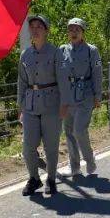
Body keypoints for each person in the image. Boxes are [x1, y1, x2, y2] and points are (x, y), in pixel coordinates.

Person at [18, 14, 62, 196]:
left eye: (39, 27)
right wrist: (20, 106)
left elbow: (63, 81)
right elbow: (21, 81)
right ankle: (34, 178)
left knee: (51, 146)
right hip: (30, 105)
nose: (35, 30)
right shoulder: (25, 54)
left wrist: (65, 104)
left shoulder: (56, 52)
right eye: (32, 27)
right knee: (28, 147)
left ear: (46, 31)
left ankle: (51, 179)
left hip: (52, 104)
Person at [58, 18, 102, 178]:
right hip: (68, 96)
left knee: (79, 130)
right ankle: (74, 166)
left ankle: (89, 159)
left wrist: (98, 96)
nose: (74, 32)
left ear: (83, 32)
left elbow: (97, 74)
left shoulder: (91, 50)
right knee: (68, 131)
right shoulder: (62, 50)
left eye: (77, 29)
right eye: (71, 29)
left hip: (86, 95)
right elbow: (59, 75)